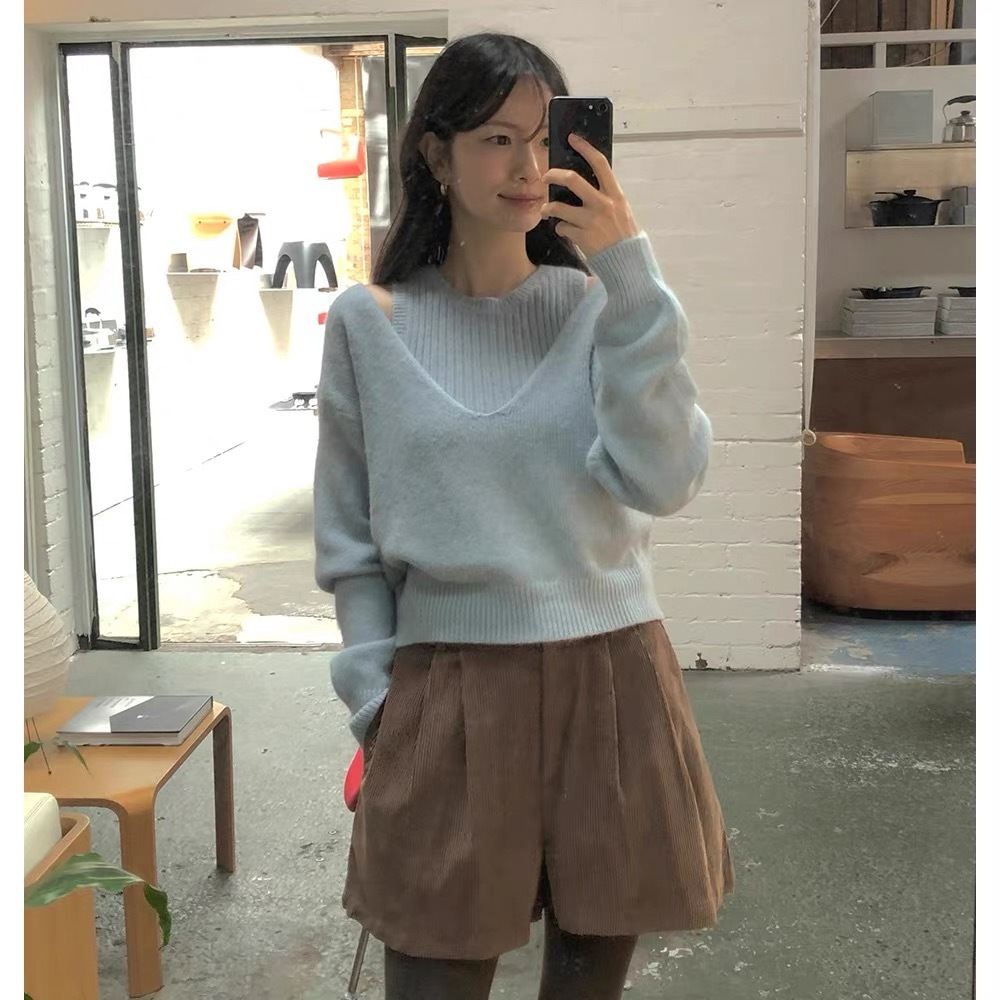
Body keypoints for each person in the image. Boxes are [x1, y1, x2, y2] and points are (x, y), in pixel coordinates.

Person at [314, 31, 735, 1000]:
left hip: (613, 682)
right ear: (437, 153)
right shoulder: (367, 324)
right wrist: (378, 705)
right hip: (445, 687)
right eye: (497, 139)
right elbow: (349, 545)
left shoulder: (599, 307)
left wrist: (629, 277)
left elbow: (665, 478)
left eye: (545, 139)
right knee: (432, 977)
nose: (528, 166)